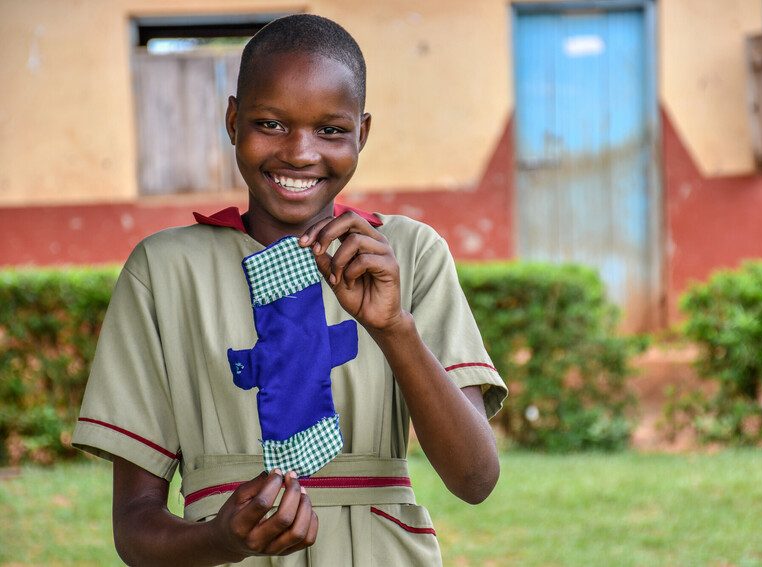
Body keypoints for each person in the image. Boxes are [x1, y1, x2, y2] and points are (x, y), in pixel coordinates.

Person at [72, 14, 506, 566]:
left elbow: (474, 478)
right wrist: (220, 540)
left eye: (330, 130)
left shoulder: (409, 253)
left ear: (362, 134)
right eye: (271, 124)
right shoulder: (163, 270)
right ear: (233, 120)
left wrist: (395, 330)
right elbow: (134, 526)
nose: (300, 153)